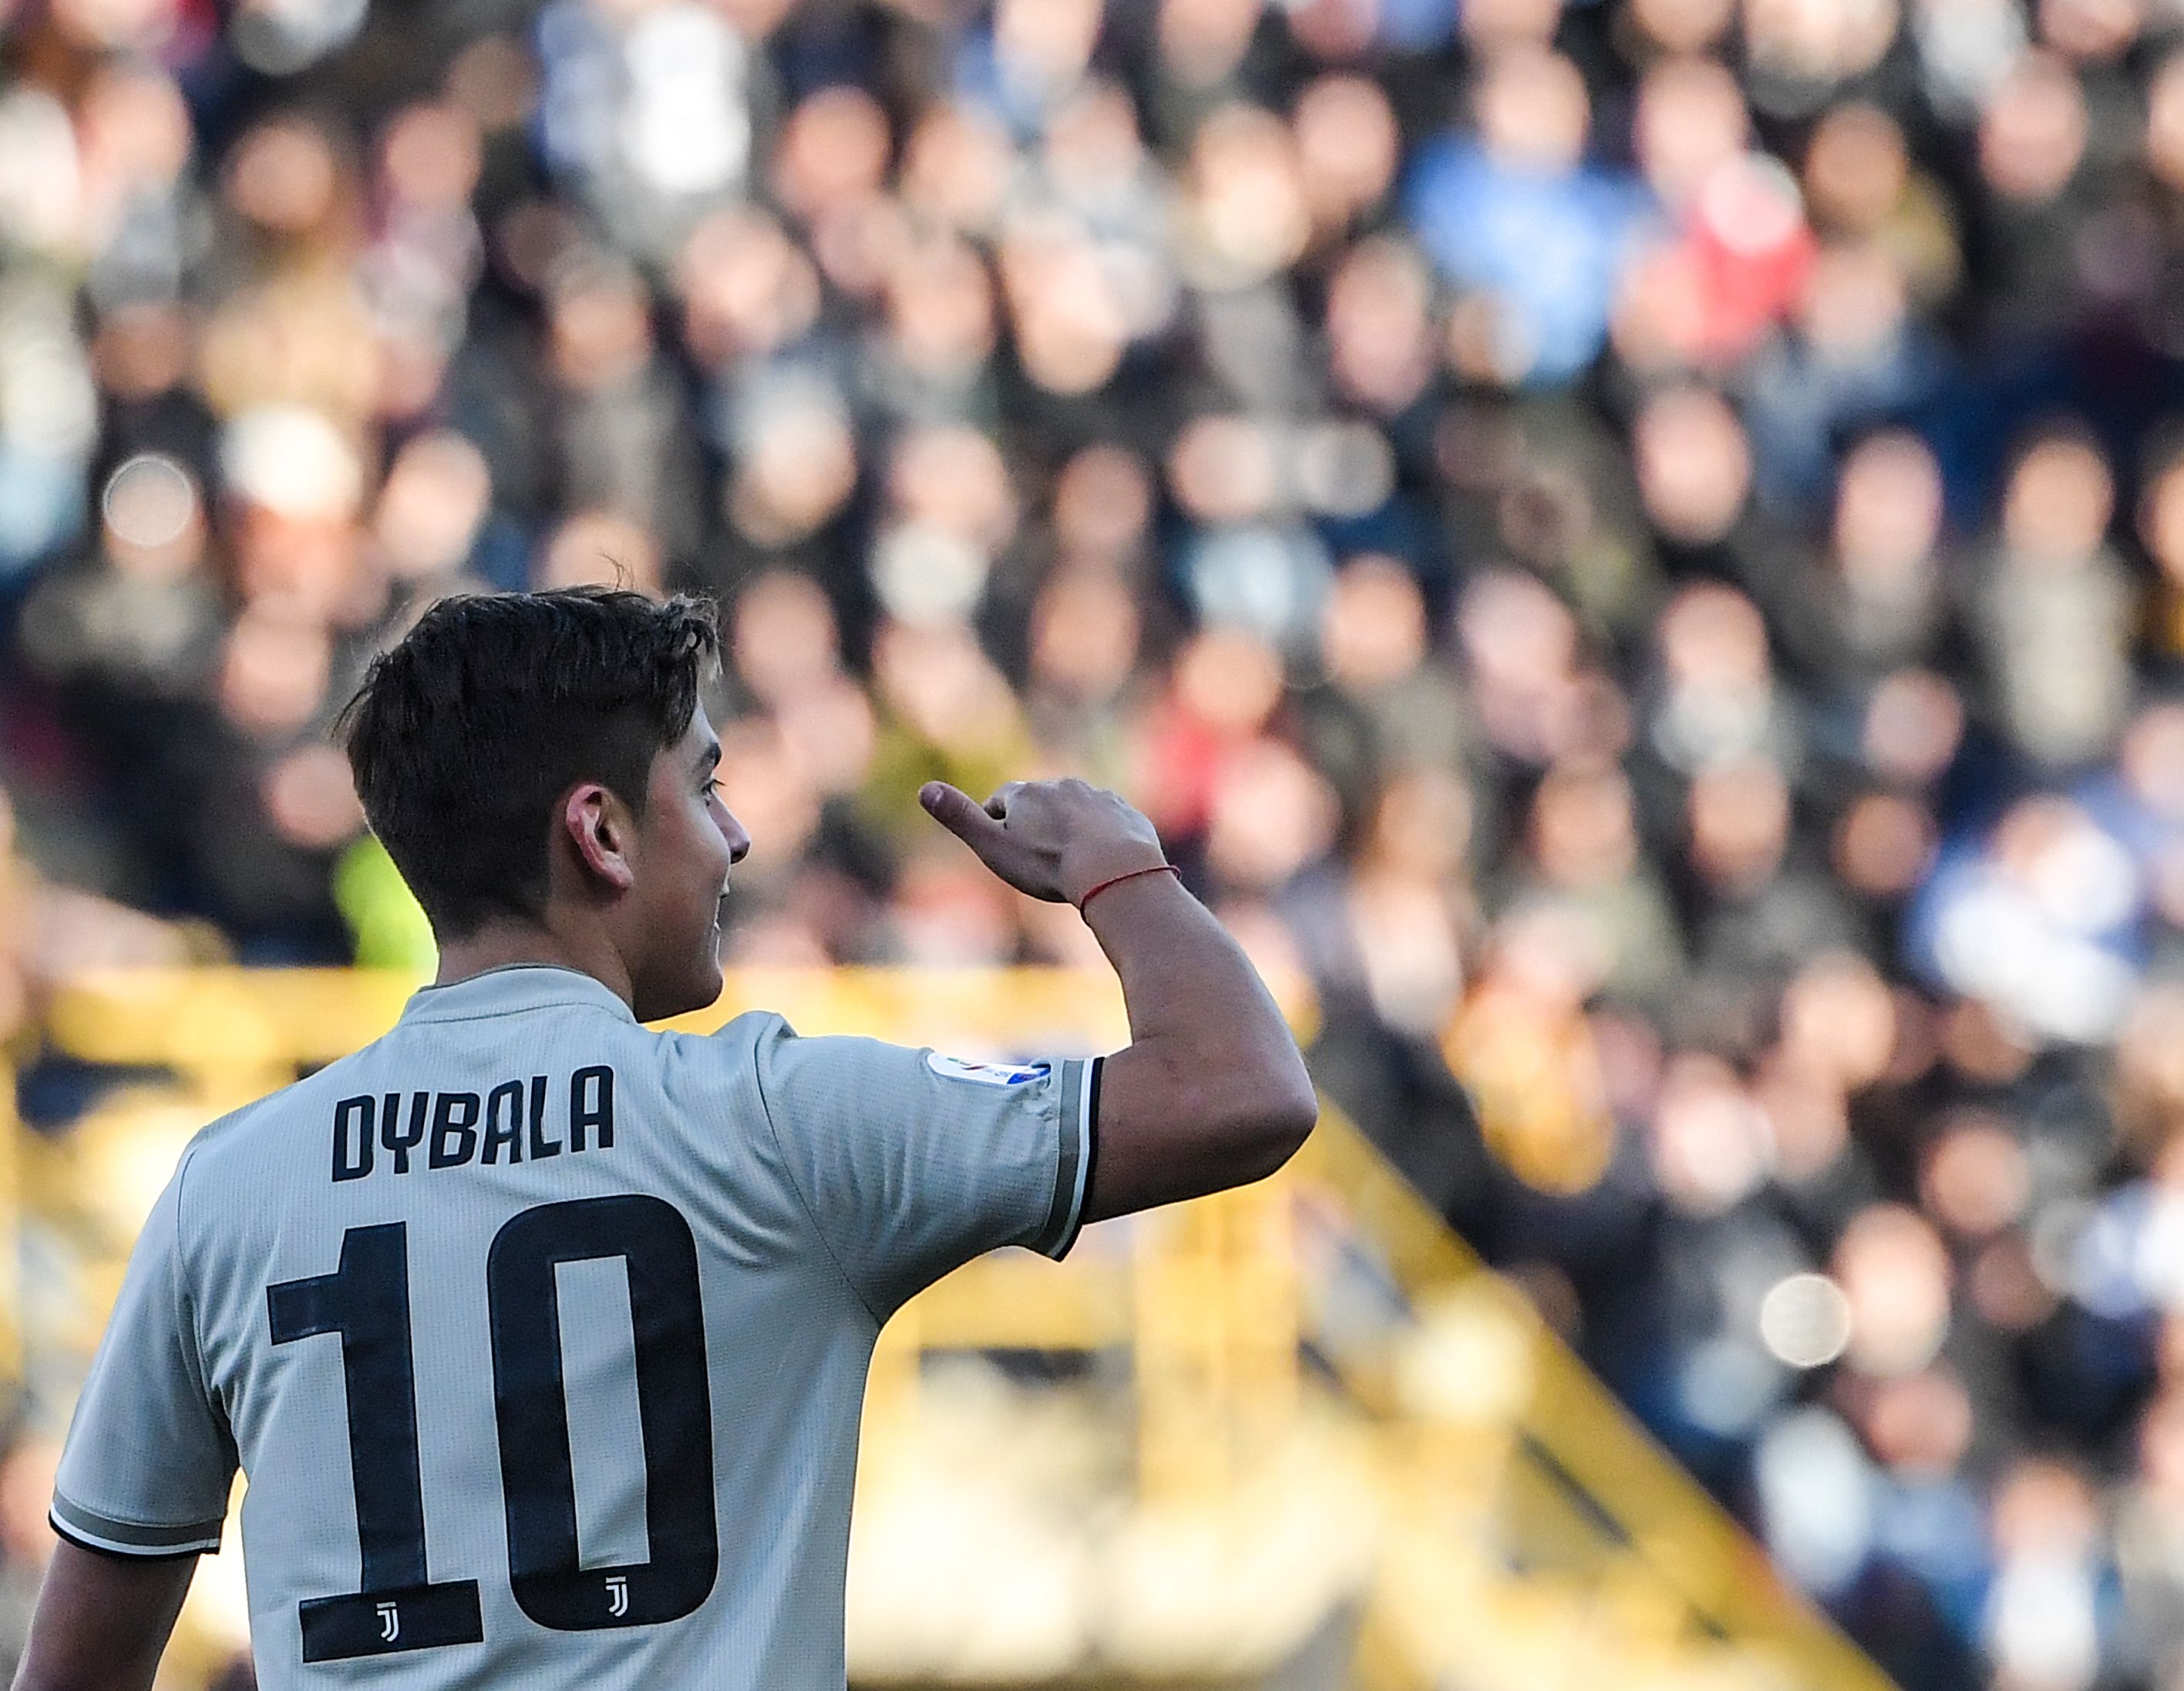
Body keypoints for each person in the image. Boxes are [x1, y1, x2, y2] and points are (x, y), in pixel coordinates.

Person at [12, 588, 1315, 1691]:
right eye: (704, 786)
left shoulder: (228, 1188)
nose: (738, 836)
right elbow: (1241, 1093)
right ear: (601, 832)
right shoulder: (777, 1125)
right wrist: (1120, 868)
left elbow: (77, 1660)